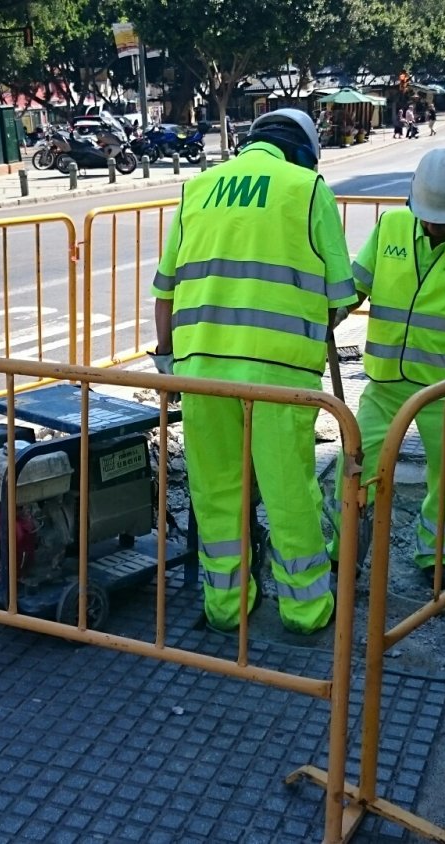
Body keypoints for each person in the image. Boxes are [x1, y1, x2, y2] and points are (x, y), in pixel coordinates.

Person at [149, 108, 356, 636]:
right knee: (289, 494)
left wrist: (169, 359)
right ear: (305, 150)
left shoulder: (198, 188)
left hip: (199, 371)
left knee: (216, 493)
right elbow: (338, 298)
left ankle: (225, 607)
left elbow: (166, 290)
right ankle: (305, 611)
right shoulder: (307, 189)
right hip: (280, 376)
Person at [327, 149, 445, 582]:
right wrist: (336, 312)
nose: (435, 224)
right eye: (430, 215)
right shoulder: (390, 226)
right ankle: (345, 550)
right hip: (385, 381)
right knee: (355, 465)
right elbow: (359, 283)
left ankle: (436, 558)